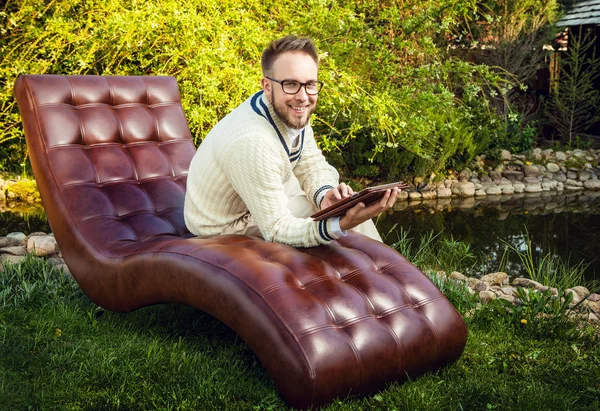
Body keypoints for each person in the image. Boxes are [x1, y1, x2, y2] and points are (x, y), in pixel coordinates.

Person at [184, 35, 399, 247]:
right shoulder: (253, 142)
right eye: (291, 84)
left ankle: (383, 273)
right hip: (223, 227)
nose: (303, 96)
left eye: (310, 84)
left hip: (257, 191)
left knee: (349, 207)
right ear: (267, 86)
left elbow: (311, 165)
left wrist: (325, 196)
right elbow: (277, 229)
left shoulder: (288, 112)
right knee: (347, 218)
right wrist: (338, 223)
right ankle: (388, 278)